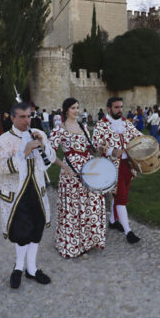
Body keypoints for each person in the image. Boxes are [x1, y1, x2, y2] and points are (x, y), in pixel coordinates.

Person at [0, 102, 56, 289]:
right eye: (22, 117)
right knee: (21, 232)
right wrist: (24, 152)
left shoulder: (39, 133)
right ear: (12, 118)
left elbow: (51, 160)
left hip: (36, 189)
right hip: (16, 193)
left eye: (29, 116)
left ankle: (32, 268)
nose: (26, 120)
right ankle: (18, 267)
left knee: (36, 228)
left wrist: (43, 145)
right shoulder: (3, 140)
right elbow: (1, 167)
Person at [50, 98, 106, 258]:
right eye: (73, 108)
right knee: (74, 207)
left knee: (91, 203)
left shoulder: (84, 127)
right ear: (66, 110)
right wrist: (65, 167)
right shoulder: (59, 129)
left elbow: (90, 148)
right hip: (71, 173)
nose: (76, 110)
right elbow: (49, 153)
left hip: (88, 170)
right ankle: (74, 243)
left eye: (77, 107)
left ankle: (88, 240)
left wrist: (99, 149)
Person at [93, 97, 143, 244]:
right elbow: (97, 143)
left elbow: (138, 135)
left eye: (121, 107)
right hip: (112, 166)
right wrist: (110, 151)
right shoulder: (101, 125)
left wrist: (152, 144)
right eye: (116, 107)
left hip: (128, 164)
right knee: (121, 197)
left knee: (119, 194)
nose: (120, 110)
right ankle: (128, 231)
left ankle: (113, 221)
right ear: (108, 108)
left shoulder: (126, 123)